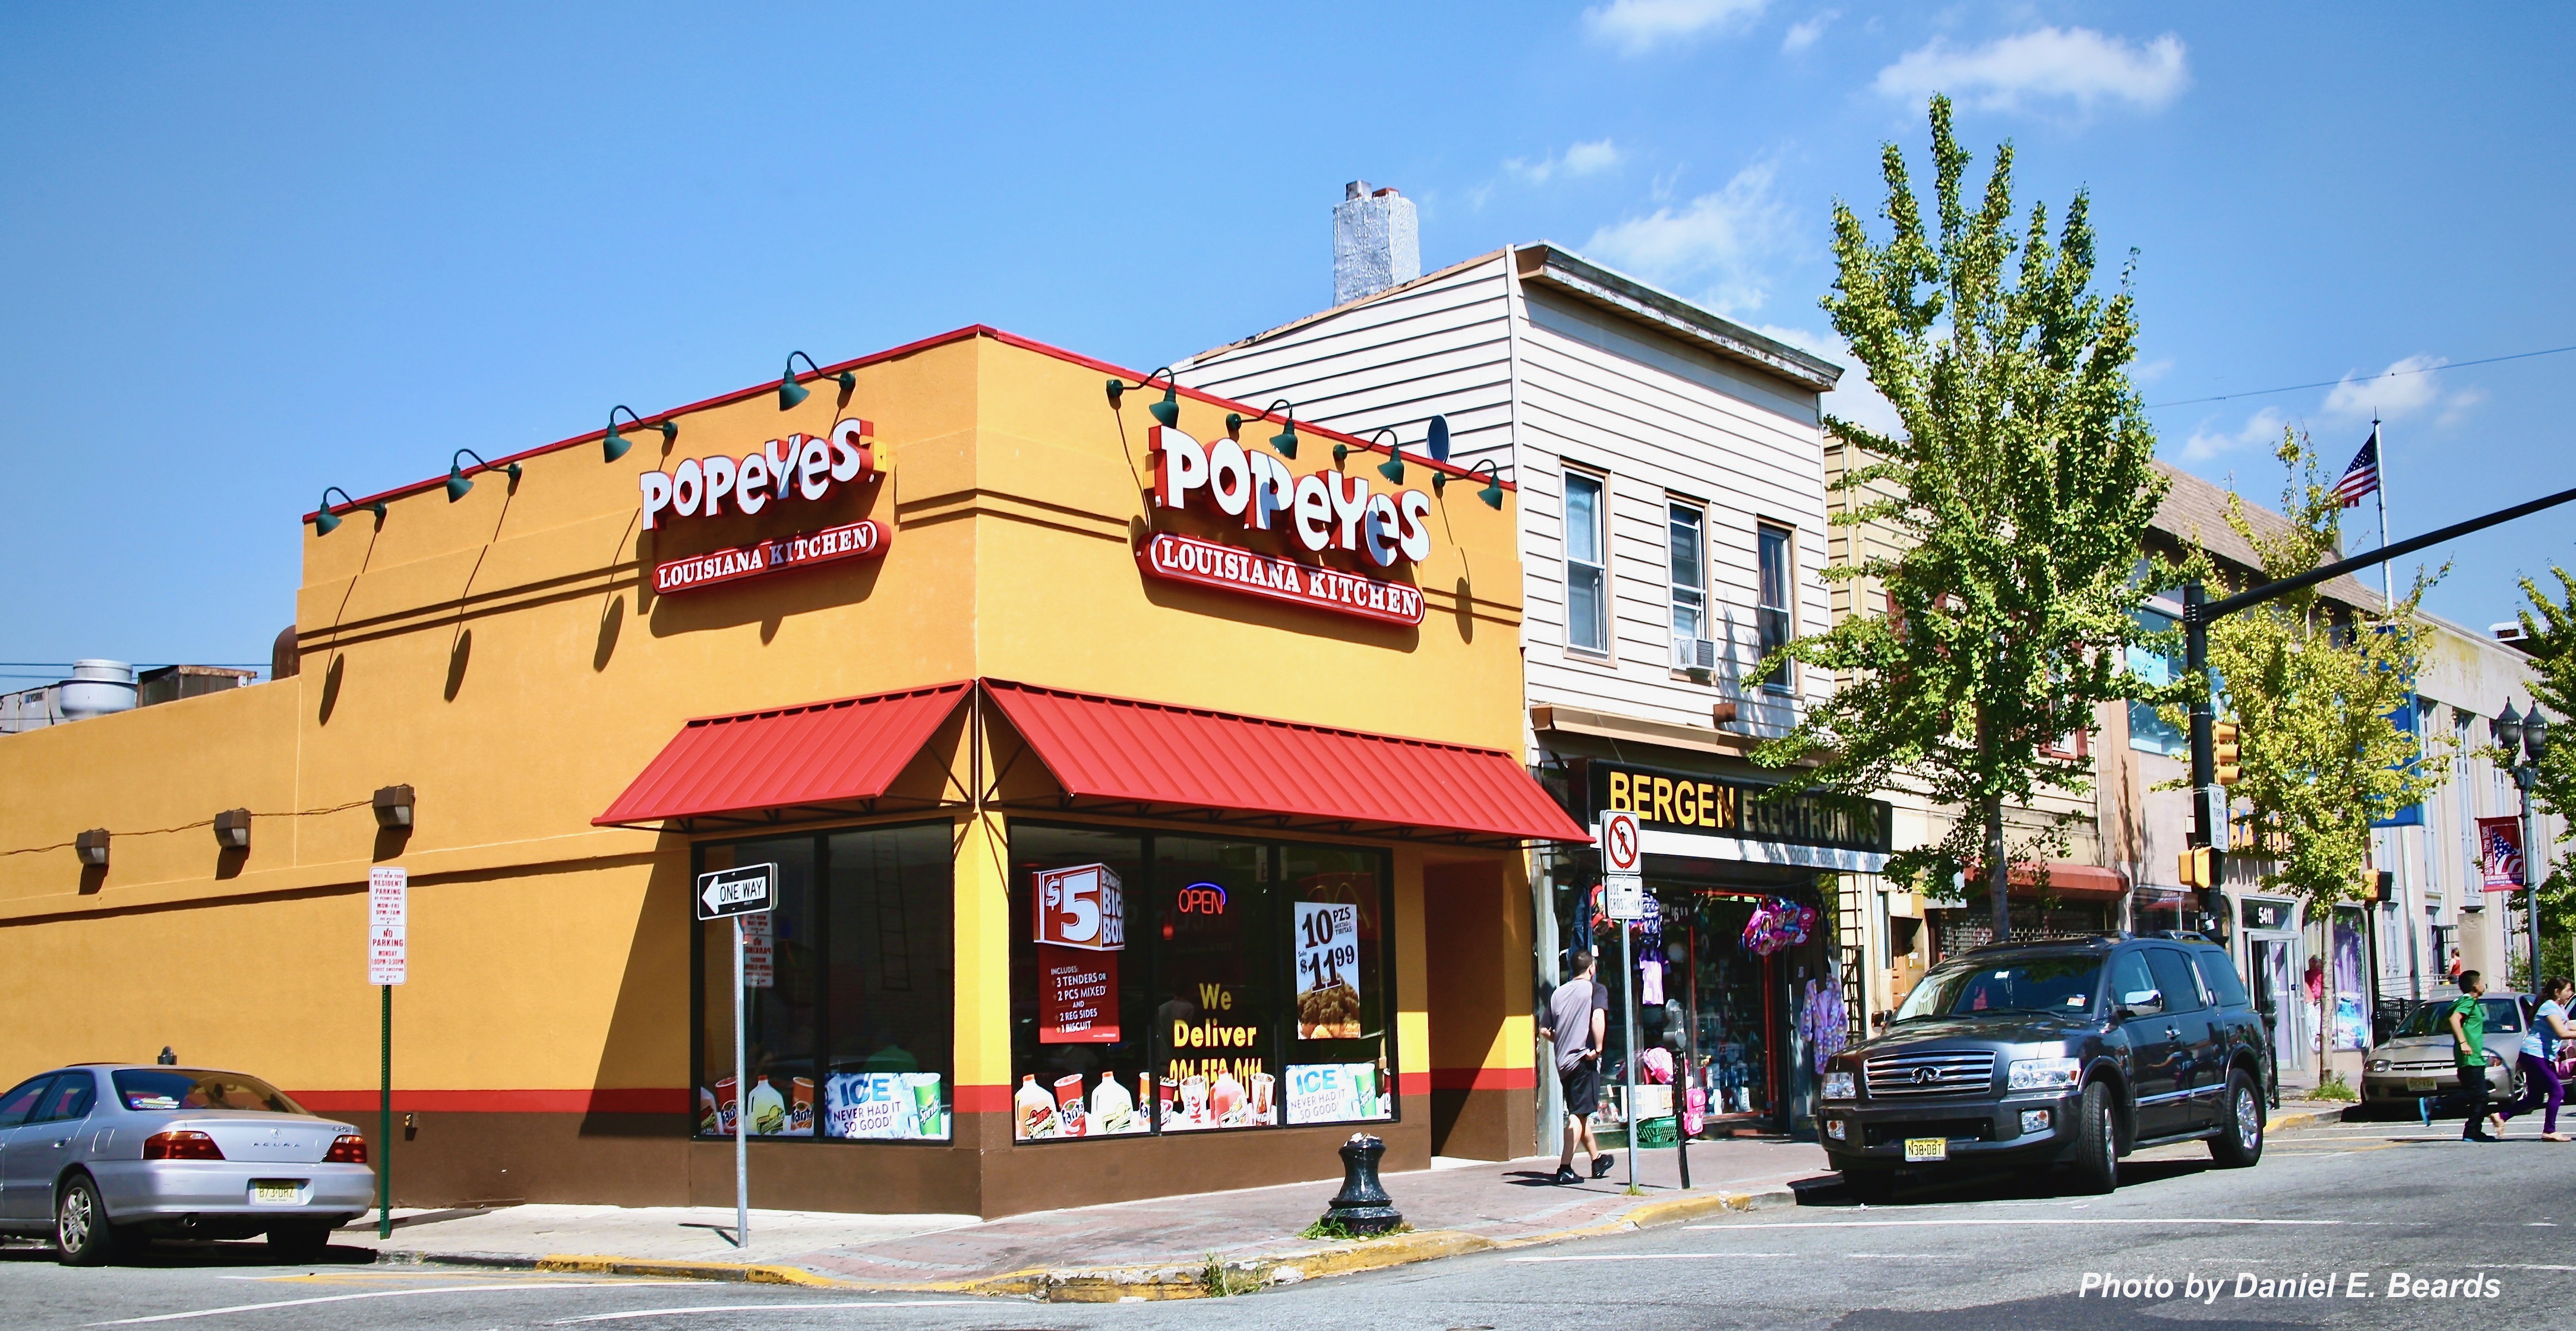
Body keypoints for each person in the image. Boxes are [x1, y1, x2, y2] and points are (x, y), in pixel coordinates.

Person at [1541, 949, 1613, 1184]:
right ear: (1591, 969)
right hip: (1584, 1061)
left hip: (1564, 1064)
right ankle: (1565, 1169)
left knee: (1580, 1112)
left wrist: (1563, 1040)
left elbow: (1545, 1030)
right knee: (1577, 1116)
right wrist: (1598, 1048)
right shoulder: (1595, 989)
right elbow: (1597, 1018)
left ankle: (1597, 1159)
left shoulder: (1558, 993)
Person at [2499, 976, 2575, 1142]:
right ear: (2557, 992)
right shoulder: (2549, 1007)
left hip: (2541, 1055)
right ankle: (2549, 1131)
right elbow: (2562, 1033)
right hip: (2535, 1054)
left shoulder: (2558, 1007)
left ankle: (2501, 1116)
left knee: (2535, 1097)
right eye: (2568, 990)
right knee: (2557, 1091)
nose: (2571, 993)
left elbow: (2568, 1025)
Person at [2450, 970, 2501, 1142]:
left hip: (2474, 1056)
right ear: (2475, 986)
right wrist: (2463, 1042)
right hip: (2470, 1056)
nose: (2483, 985)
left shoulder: (2471, 1002)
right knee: (2478, 1094)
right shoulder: (2468, 1001)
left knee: (2478, 1095)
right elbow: (2454, 1019)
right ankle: (2435, 1103)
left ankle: (2472, 1131)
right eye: (2481, 982)